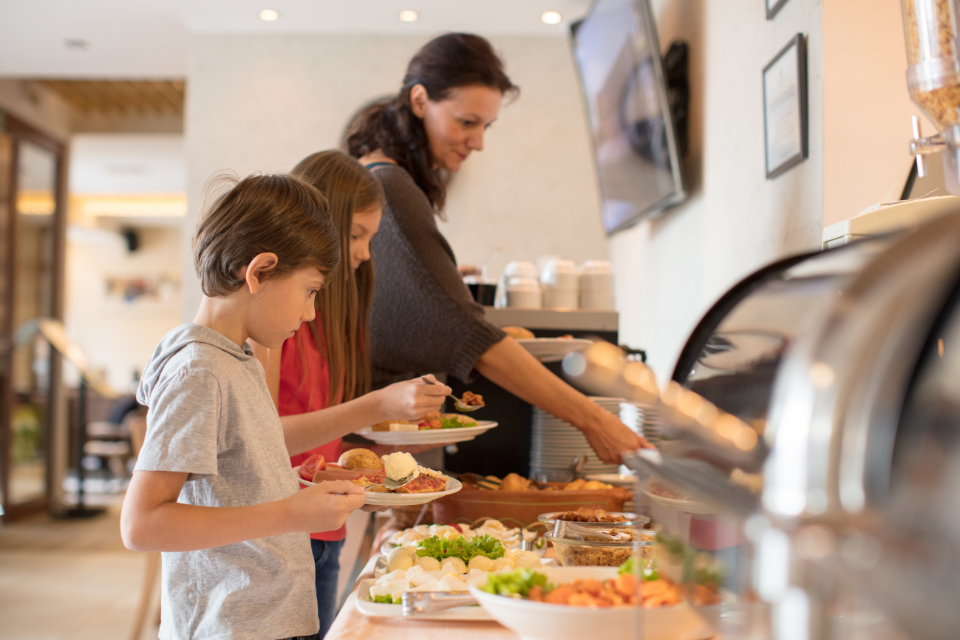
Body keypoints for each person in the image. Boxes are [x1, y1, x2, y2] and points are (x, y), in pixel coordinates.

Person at [344, 33, 652, 463]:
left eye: (485, 126)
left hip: (364, 437)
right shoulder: (392, 187)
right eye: (466, 122)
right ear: (419, 101)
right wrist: (594, 419)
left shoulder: (379, 175)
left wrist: (444, 280)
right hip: (359, 448)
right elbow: (470, 338)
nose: (479, 142)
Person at [120, 173, 367, 640]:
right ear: (259, 272)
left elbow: (226, 488)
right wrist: (293, 513)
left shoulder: (240, 358)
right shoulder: (199, 371)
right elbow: (142, 523)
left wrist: (293, 481)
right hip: (230, 628)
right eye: (310, 290)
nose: (311, 313)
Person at [249, 150, 449, 636]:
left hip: (326, 529)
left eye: (370, 240)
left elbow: (325, 443)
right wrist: (378, 405)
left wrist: (393, 457)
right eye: (357, 235)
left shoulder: (334, 323)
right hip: (280, 533)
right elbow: (263, 440)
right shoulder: (275, 324)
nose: (363, 254)